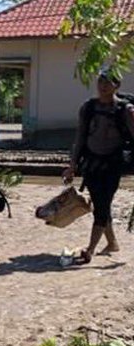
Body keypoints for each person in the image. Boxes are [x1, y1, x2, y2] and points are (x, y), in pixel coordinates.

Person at [63, 66, 134, 263]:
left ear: (117, 86)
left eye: (108, 82)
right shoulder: (89, 108)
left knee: (103, 205)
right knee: (101, 204)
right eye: (100, 82)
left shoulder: (125, 110)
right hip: (91, 163)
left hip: (113, 164)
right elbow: (80, 137)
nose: (103, 86)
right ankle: (112, 243)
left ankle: (90, 250)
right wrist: (72, 165)